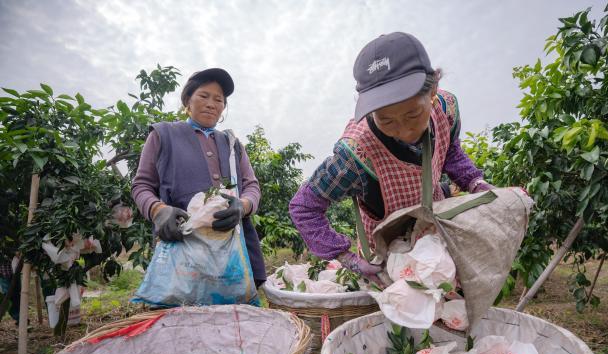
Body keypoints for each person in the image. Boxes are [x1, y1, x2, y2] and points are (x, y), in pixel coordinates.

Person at [289, 32, 493, 285]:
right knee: (401, 320)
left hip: (437, 242)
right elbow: (304, 207)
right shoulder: (354, 155)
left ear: (433, 92)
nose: (404, 130)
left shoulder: (446, 110)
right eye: (386, 120)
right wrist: (348, 258)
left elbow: (450, 151)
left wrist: (475, 182)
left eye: (412, 115)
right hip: (387, 265)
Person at [131, 68, 266, 288]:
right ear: (188, 100)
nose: (211, 104)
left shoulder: (232, 144)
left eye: (219, 99)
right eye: (203, 96)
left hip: (231, 248)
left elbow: (252, 185)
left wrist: (242, 205)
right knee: (184, 311)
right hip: (183, 245)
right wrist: (158, 210)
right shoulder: (162, 135)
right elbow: (142, 185)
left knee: (231, 313)